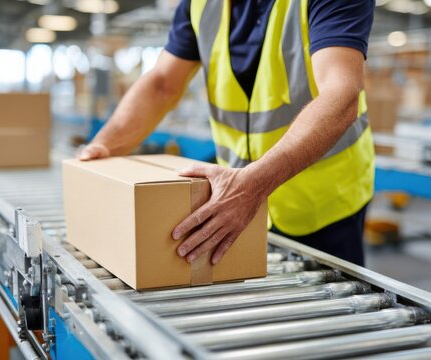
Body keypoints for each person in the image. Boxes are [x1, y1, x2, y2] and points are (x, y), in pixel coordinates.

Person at [79, 0, 375, 267]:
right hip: (234, 198)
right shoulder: (200, 5)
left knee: (326, 316)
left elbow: (341, 94)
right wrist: (104, 145)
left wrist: (255, 184)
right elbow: (162, 84)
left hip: (324, 204)